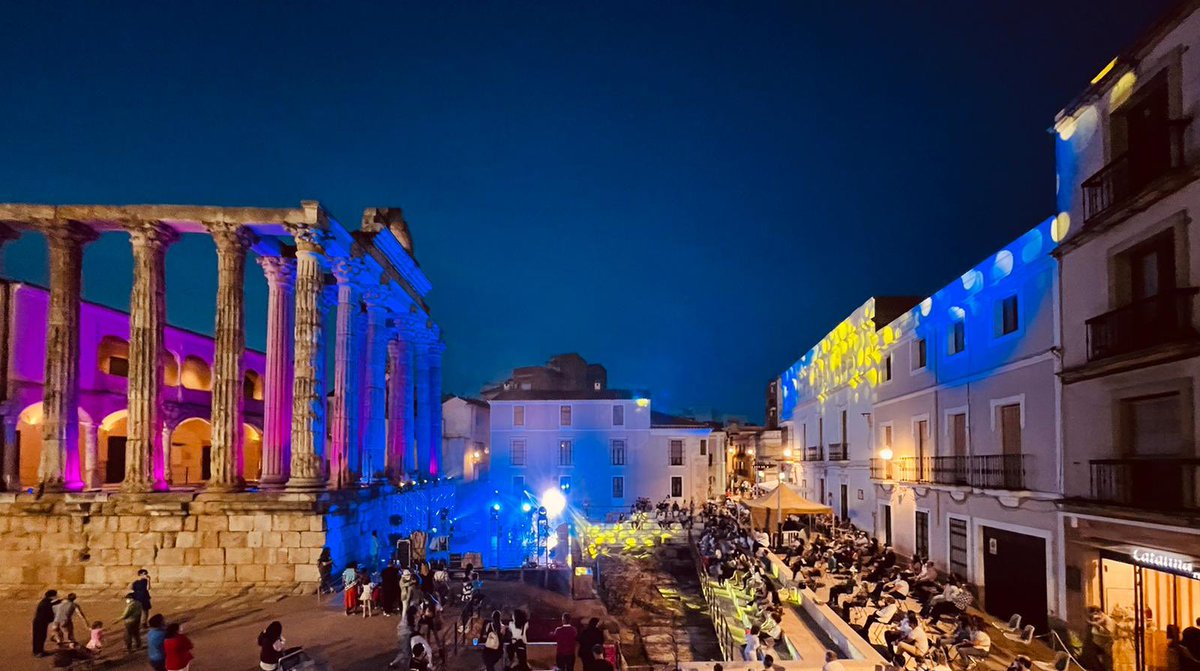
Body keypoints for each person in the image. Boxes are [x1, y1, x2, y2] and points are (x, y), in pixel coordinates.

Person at [32, 589, 58, 657]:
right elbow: (48, 612)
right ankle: (38, 652)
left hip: (39, 622)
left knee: (40, 637)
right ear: (52, 596)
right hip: (41, 622)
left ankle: (38, 650)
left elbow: (53, 603)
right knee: (40, 637)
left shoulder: (45, 601)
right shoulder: (46, 603)